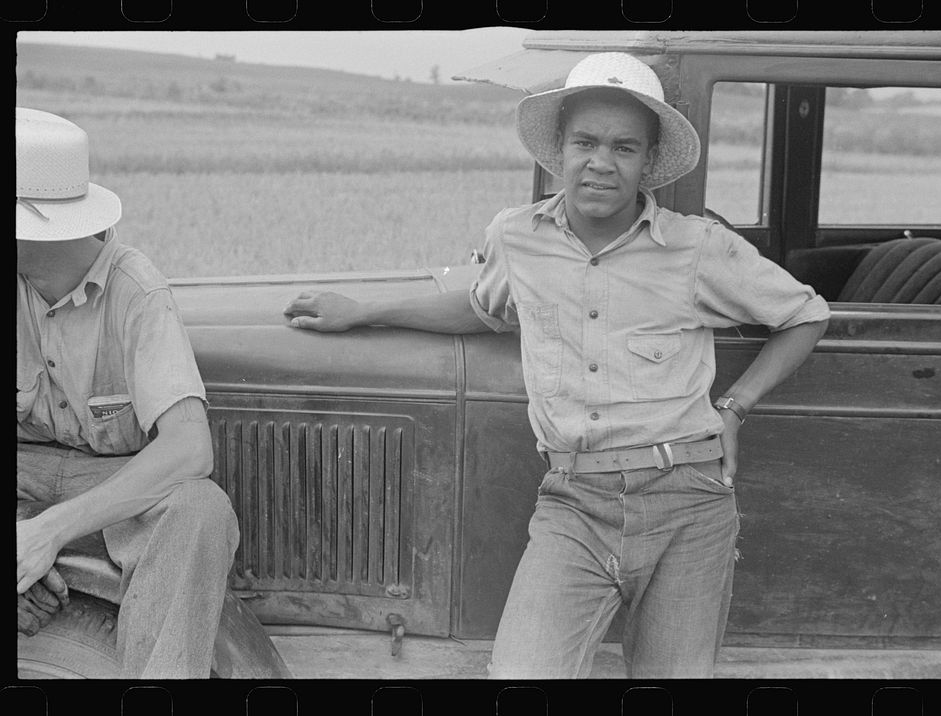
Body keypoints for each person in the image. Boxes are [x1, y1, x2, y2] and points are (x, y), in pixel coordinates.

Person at [283, 52, 830, 678]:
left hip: (688, 499)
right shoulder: (516, 237)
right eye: (585, 142)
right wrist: (363, 311)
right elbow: (483, 307)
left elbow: (805, 315)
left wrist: (736, 407)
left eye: (625, 147)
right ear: (559, 151)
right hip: (574, 501)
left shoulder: (697, 246)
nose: (601, 162)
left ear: (648, 162)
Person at [16, 108, 239, 678]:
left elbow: (190, 450)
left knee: (201, 511)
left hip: (111, 483)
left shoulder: (135, 290)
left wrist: (48, 533)